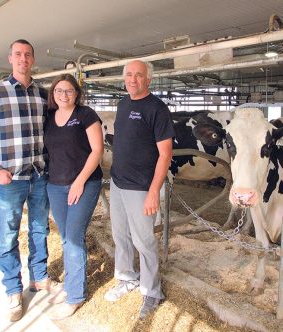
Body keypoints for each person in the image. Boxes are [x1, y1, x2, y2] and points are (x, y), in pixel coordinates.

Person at [0, 39, 62, 322]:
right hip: (10, 179)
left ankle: (39, 276)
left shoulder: (42, 94)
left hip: (38, 175)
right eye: (18, 54)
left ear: (33, 60)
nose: (23, 59)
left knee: (39, 229)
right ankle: (13, 288)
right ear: (10, 58)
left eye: (28, 55)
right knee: (9, 234)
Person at [104, 60, 175, 319]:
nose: (132, 79)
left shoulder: (157, 108)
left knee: (144, 240)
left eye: (139, 75)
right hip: (118, 182)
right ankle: (126, 278)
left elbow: (165, 154)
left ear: (149, 80)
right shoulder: (123, 104)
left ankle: (151, 290)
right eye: (129, 75)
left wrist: (154, 190)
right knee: (120, 234)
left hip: (141, 188)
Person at [44, 74, 104, 319]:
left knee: (74, 237)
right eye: (59, 91)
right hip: (55, 185)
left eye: (68, 91)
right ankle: (71, 286)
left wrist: (79, 181)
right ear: (53, 93)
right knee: (66, 238)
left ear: (77, 94)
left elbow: (97, 150)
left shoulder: (86, 115)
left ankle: (75, 296)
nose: (63, 95)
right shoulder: (48, 117)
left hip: (85, 183)